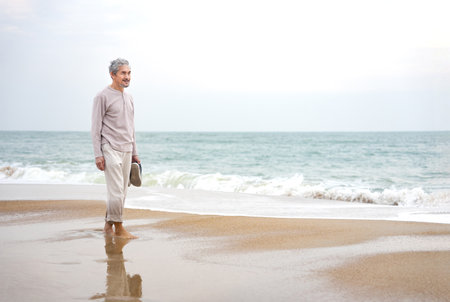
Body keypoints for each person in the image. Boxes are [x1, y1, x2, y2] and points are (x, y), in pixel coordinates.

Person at [91, 58, 140, 239]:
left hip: (127, 148)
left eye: (128, 73)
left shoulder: (129, 97)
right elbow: (95, 128)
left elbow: (131, 126)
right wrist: (98, 154)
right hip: (109, 147)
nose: (127, 77)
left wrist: (135, 152)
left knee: (123, 192)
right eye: (123, 73)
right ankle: (119, 228)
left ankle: (107, 226)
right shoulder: (102, 96)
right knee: (116, 191)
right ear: (112, 75)